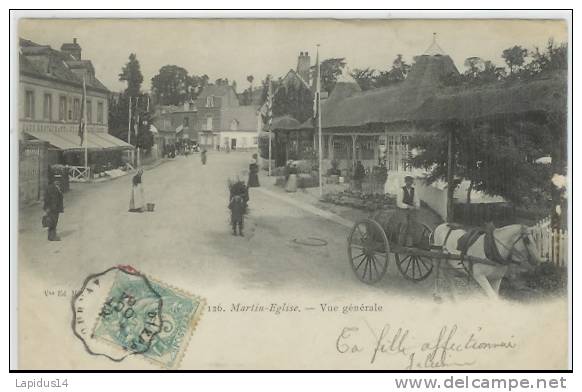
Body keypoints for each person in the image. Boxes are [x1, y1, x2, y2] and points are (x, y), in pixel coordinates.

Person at [390, 176, 422, 247]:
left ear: (412, 183)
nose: (409, 183)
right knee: (404, 224)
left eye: (410, 182)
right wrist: (408, 206)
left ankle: (409, 243)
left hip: (411, 211)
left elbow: (416, 200)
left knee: (413, 224)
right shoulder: (401, 190)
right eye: (407, 181)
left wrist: (417, 206)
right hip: (401, 210)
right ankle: (400, 243)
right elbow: (399, 203)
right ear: (405, 182)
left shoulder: (414, 190)